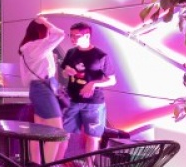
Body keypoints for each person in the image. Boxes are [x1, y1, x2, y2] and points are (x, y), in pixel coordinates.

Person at [60, 22, 116, 154]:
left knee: (93, 136)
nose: (72, 39)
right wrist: (66, 71)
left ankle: (89, 166)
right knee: (64, 134)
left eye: (76, 36)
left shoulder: (100, 55)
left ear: (87, 36)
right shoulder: (71, 53)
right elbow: (64, 72)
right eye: (71, 35)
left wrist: (93, 84)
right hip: (72, 100)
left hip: (93, 103)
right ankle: (59, 163)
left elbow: (112, 80)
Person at [18, 16, 66, 159]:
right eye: (47, 30)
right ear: (41, 31)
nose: (49, 32)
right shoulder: (36, 46)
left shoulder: (29, 48)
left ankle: (36, 165)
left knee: (39, 131)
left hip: (39, 88)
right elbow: (60, 34)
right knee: (56, 132)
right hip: (43, 89)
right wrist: (45, 22)